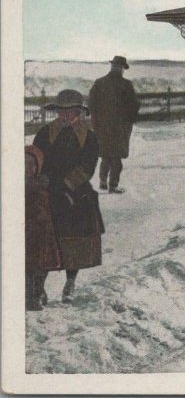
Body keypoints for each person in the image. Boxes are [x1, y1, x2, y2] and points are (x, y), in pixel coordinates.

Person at [33, 89, 104, 303]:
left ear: (79, 113)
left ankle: (70, 282)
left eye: (72, 111)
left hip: (76, 193)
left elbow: (88, 166)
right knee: (44, 240)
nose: (67, 116)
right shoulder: (45, 133)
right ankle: (39, 287)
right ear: (57, 112)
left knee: (75, 241)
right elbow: (35, 159)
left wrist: (67, 184)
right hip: (47, 190)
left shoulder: (88, 137)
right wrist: (42, 178)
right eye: (62, 111)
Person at [87, 56, 140, 193]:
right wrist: (130, 120)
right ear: (121, 68)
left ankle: (103, 181)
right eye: (122, 68)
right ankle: (113, 185)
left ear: (112, 66)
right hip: (120, 128)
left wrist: (96, 121)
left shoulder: (99, 83)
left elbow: (91, 104)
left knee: (105, 155)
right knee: (116, 157)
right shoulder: (126, 85)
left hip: (102, 127)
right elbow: (134, 105)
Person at [25, 145, 62, 311]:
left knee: (40, 268)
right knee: (29, 269)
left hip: (42, 235)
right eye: (24, 164)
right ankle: (31, 298)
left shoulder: (42, 185)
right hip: (27, 233)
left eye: (31, 164)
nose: (27, 168)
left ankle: (37, 294)